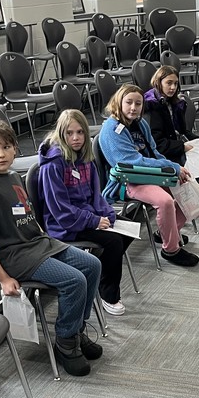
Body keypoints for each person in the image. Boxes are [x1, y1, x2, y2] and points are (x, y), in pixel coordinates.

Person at [0, 120, 103, 377]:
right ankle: (65, 341)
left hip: (38, 244)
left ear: (15, 148)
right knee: (74, 281)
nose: (1, 154)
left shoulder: (12, 176)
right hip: (15, 256)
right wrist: (3, 278)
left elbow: (26, 216)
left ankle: (76, 328)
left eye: (6, 147)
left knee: (92, 265)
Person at [38, 109, 133, 316]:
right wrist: (93, 220)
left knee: (127, 229)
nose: (76, 138)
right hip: (65, 224)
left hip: (87, 216)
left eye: (80, 132)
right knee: (114, 242)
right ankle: (109, 295)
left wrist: (107, 214)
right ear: (61, 134)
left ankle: (97, 276)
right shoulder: (53, 164)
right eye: (70, 133)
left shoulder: (85, 158)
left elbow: (95, 196)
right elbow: (60, 209)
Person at [98, 83, 199, 268]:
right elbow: (132, 162)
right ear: (119, 102)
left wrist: (173, 168)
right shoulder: (111, 129)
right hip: (128, 180)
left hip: (150, 174)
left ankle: (166, 233)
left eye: (138, 103)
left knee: (187, 189)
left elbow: (154, 153)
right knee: (165, 201)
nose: (133, 107)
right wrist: (171, 166)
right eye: (129, 102)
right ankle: (171, 250)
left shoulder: (140, 123)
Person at [143, 64, 199, 190]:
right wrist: (182, 147)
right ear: (159, 82)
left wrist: (196, 141)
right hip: (165, 153)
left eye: (175, 83)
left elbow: (182, 131)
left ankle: (195, 190)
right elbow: (157, 144)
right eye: (169, 83)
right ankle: (186, 196)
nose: (173, 87)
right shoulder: (152, 106)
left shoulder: (174, 103)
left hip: (177, 146)